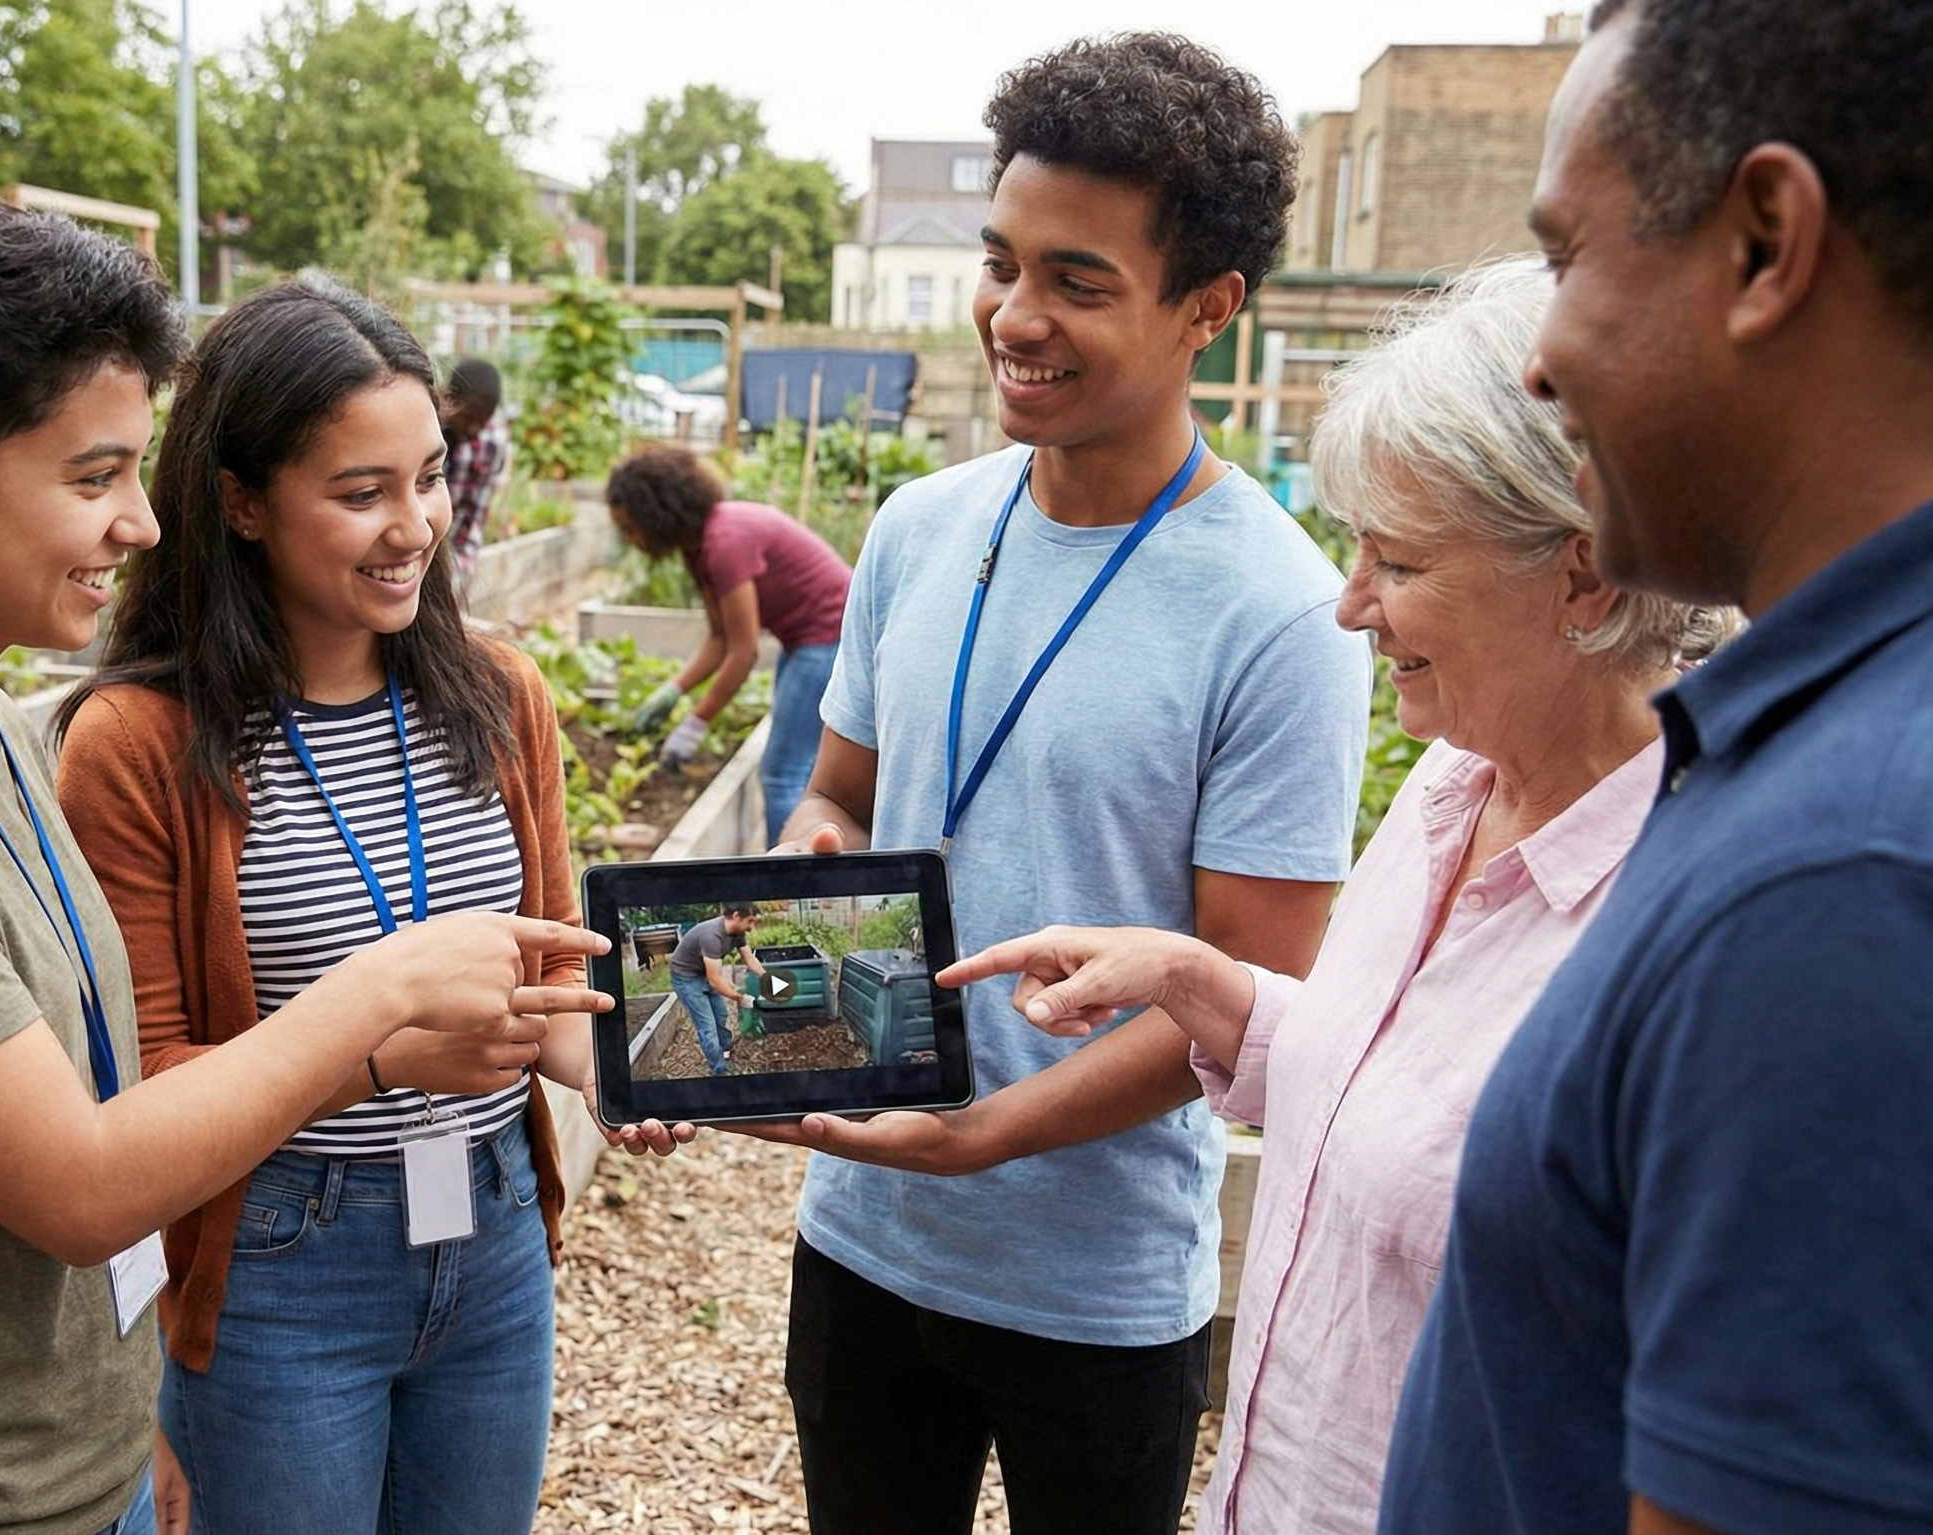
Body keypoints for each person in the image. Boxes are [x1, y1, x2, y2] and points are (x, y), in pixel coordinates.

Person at [0, 192, 611, 1535]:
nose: (139, 522)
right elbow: (82, 1176)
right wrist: (385, 999)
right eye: (94, 477)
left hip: (53, 1469)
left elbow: (88, 1098)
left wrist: (131, 1414)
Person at [938, 258, 1734, 1535]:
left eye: (1400, 561)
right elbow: (1398, 1093)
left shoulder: (1701, 927)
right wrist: (1204, 984)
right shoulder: (1448, 787)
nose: (1352, 603)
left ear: (1585, 576)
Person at [748, 35, 1371, 1535]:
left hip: (1089, 1289)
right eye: (1000, 262)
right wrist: (775, 941)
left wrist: (980, 1134)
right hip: (863, 1233)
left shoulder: (1279, 610)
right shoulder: (917, 524)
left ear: (1207, 310)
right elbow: (838, 794)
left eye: (1078, 282)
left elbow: (1247, 990)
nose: (1013, 318)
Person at [1378, 2, 1933, 1531]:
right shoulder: (1843, 740)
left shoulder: (1843, 883)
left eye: (1567, 260)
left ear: (1765, 241)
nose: (1545, 359)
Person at [54, 278, 686, 1535]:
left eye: (432, 477)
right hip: (285, 1258)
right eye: (361, 492)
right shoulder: (140, 743)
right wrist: (384, 1057)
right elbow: (149, 1082)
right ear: (238, 501)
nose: (416, 527)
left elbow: (556, 987)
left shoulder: (500, 695)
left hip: (497, 1229)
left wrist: (639, 1067)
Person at [611, 448, 853, 843]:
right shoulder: (699, 545)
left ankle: (789, 887)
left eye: (630, 527)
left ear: (654, 513)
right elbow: (720, 637)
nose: (630, 539)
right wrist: (674, 690)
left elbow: (744, 652)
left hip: (830, 636)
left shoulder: (725, 542)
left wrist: (696, 721)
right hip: (805, 638)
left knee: (782, 772)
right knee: (796, 765)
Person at [665, 905, 768, 1076]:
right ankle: (720, 1071)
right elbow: (715, 981)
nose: (751, 927)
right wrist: (740, 998)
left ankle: (725, 1049)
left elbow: (749, 958)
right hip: (686, 979)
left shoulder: (737, 933)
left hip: (703, 972)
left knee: (721, 1014)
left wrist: (767, 978)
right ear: (736, 916)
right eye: (750, 921)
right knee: (707, 1027)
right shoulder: (711, 936)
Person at [438, 356, 509, 587]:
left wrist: (457, 576)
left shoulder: (489, 446)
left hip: (445, 556)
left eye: (483, 421)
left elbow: (472, 519)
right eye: (468, 417)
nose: (473, 429)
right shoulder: (425, 432)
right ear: (447, 399)